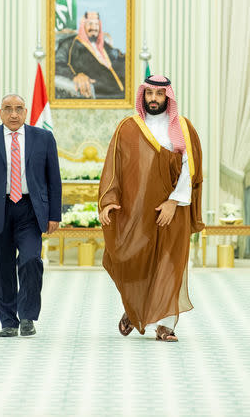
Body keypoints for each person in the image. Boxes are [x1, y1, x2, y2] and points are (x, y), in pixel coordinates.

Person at [98, 75, 204, 342]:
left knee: (171, 264)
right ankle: (134, 310)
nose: (154, 99)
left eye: (160, 94)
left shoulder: (182, 127)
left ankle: (166, 325)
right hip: (137, 209)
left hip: (173, 209)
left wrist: (172, 202)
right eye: (149, 94)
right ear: (142, 96)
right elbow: (114, 168)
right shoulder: (128, 127)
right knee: (136, 260)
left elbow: (188, 169)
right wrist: (109, 200)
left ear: (168, 97)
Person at [0, 94, 62, 337]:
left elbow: (54, 180)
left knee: (31, 260)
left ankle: (27, 315)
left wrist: (54, 215)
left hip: (30, 210)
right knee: (1, 267)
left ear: (26, 111)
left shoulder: (43, 138)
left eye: (18, 109)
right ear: (0, 113)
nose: (13, 114)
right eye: (8, 109)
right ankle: (8, 320)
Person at [55, 11, 125, 99]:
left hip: (122, 91)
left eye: (96, 24)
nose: (94, 28)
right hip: (100, 94)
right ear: (83, 25)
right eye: (90, 23)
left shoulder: (103, 45)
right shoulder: (70, 44)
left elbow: (119, 58)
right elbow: (57, 64)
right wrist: (75, 76)